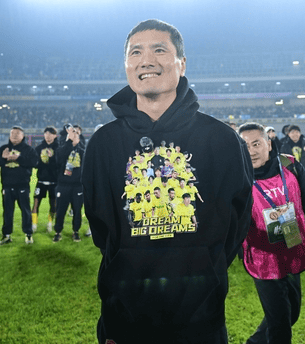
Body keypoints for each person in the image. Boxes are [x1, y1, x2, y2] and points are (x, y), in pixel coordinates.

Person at [82, 19, 253, 344]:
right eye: (135, 52)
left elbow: (237, 221)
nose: (146, 60)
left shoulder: (222, 139)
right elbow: (102, 227)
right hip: (124, 318)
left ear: (181, 63)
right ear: (127, 65)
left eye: (159, 50)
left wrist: (204, 264)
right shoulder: (103, 143)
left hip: (201, 318)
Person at [238, 123, 305, 344]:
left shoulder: (289, 164)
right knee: (280, 321)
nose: (251, 151)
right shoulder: (237, 173)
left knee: (291, 311)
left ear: (268, 143)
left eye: (256, 144)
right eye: (245, 146)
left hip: (292, 242)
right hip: (262, 252)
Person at [0, 126, 38, 245]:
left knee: (26, 211)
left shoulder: (28, 149)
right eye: (12, 133)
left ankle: (28, 234)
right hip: (7, 186)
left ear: (23, 136)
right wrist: (3, 158)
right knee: (7, 212)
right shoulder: (4, 148)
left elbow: (34, 162)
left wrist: (19, 158)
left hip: (23, 185)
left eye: (17, 133)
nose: (14, 135)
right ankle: (6, 236)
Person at [53, 125, 85, 243]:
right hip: (63, 184)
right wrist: (69, 142)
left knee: (77, 210)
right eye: (72, 133)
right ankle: (58, 232)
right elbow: (59, 159)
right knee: (60, 210)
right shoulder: (62, 149)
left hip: (77, 186)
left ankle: (76, 231)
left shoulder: (83, 151)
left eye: (77, 134)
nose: (74, 135)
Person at [33, 126, 59, 233]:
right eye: (46, 134)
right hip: (41, 181)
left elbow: (59, 164)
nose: (48, 136)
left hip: (54, 181)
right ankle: (34, 224)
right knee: (35, 203)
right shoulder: (39, 148)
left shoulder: (59, 148)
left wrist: (52, 158)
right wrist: (40, 161)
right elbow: (35, 164)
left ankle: (50, 223)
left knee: (53, 204)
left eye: (50, 134)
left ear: (55, 135)